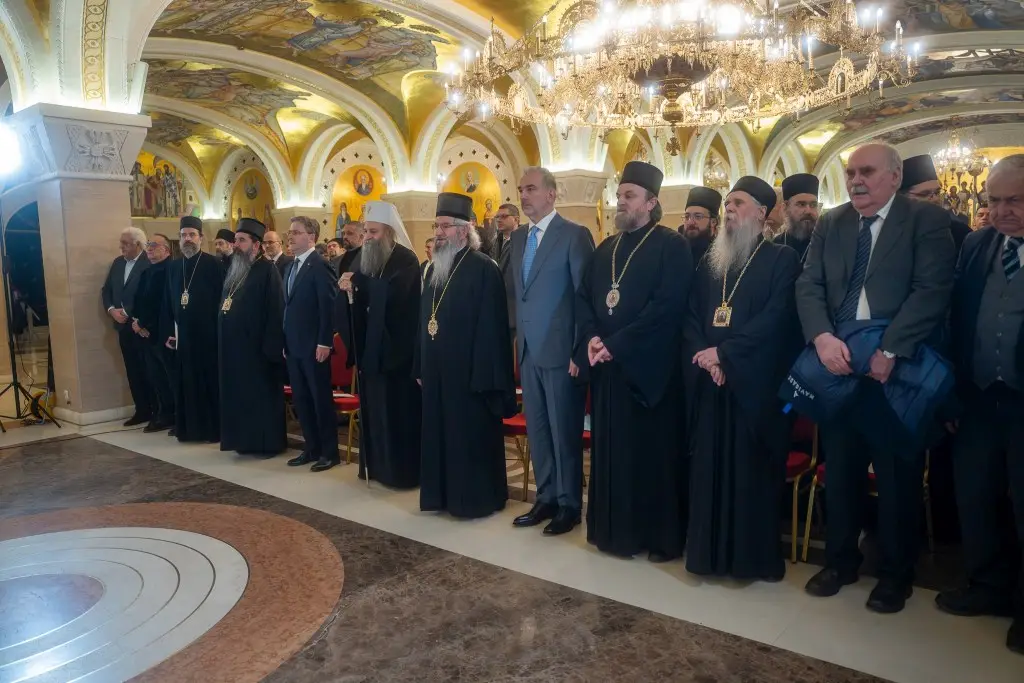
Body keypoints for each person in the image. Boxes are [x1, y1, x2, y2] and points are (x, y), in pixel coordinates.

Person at [797, 142, 955, 613]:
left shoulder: (924, 220)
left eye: (866, 171)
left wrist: (891, 349)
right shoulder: (833, 222)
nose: (856, 181)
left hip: (895, 371)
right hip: (839, 366)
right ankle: (840, 562)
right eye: (850, 173)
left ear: (895, 176)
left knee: (896, 477)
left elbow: (932, 290)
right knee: (842, 471)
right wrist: (822, 338)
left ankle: (895, 575)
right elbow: (809, 284)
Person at [684, 176, 803, 581]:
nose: (729, 209)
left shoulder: (782, 260)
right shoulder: (711, 261)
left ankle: (749, 562)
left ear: (762, 212)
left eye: (738, 203)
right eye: (727, 204)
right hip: (712, 385)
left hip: (755, 389)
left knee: (750, 476)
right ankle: (707, 558)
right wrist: (707, 357)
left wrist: (725, 354)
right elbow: (691, 314)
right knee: (708, 473)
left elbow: (777, 319)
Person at [575, 161, 693, 561]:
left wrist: (618, 344)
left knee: (650, 458)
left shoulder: (671, 246)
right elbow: (584, 299)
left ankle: (657, 538)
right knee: (611, 455)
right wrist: (592, 338)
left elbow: (666, 309)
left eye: (629, 195)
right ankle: (611, 532)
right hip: (608, 373)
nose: (620, 202)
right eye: (619, 195)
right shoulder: (605, 249)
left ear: (651, 202)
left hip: (649, 374)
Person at [937, 154, 1024, 654]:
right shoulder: (976, 244)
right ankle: (987, 585)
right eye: (995, 200)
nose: (1002, 211)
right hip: (977, 398)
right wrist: (952, 395)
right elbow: (956, 319)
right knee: (976, 497)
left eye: (1015, 201)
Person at [415, 192, 516, 518]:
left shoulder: (484, 268)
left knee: (467, 437)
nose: (438, 233)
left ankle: (474, 500)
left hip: (470, 375)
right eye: (436, 226)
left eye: (445, 226)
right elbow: (424, 321)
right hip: (436, 372)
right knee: (439, 435)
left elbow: (493, 330)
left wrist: (483, 376)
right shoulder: (433, 270)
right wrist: (420, 364)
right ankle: (441, 496)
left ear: (464, 230)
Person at [510, 167, 594, 534]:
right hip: (529, 350)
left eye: (531, 189)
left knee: (563, 432)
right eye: (520, 189)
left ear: (551, 194)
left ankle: (569, 504)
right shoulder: (518, 238)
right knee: (539, 429)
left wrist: (579, 350)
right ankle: (545, 496)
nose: (523, 196)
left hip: (561, 352)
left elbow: (583, 296)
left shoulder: (573, 235)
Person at [337, 201, 421, 488]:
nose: (368, 237)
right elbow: (359, 298)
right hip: (371, 352)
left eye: (373, 231)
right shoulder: (365, 257)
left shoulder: (406, 260)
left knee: (397, 416)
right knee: (374, 413)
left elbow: (398, 300)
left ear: (389, 231)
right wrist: (348, 288)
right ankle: (375, 468)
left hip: (397, 354)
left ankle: (400, 473)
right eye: (366, 231)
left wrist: (360, 285)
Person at [218, 218, 286, 456]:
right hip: (234, 349)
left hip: (258, 351)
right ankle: (243, 442)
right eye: (235, 240)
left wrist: (270, 349)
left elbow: (276, 311)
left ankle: (266, 444)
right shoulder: (235, 269)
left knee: (260, 398)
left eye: (241, 240)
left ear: (256, 245)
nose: (236, 245)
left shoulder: (267, 270)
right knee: (240, 396)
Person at [283, 216, 340, 472]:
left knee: (320, 400)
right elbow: (288, 307)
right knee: (302, 400)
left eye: (296, 232)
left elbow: (327, 307)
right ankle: (311, 448)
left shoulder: (320, 265)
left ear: (311, 237)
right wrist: (285, 339)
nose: (290, 236)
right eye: (290, 232)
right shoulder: (290, 267)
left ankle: (329, 453)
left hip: (315, 346)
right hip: (293, 345)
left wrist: (325, 342)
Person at [166, 216, 224, 442]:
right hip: (183, 336)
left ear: (201, 238)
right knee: (186, 383)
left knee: (208, 383)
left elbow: (221, 301)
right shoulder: (174, 267)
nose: (187, 239)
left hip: (208, 336)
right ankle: (188, 429)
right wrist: (169, 331)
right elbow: (167, 301)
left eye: (192, 235)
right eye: (183, 235)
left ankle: (212, 430)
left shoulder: (214, 264)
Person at [101, 227, 152, 426]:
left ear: (138, 244)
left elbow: (149, 294)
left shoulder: (148, 262)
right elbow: (107, 290)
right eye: (121, 243)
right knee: (133, 370)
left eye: (125, 243)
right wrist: (112, 310)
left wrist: (129, 312)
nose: (121, 247)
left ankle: (159, 410)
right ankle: (142, 410)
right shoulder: (118, 263)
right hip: (123, 328)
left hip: (143, 326)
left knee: (149, 370)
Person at [132, 234, 175, 433]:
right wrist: (136, 322)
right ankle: (161, 413)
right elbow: (139, 300)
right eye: (148, 244)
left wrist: (143, 323)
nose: (149, 248)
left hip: (163, 332)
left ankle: (173, 415)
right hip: (145, 333)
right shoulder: (147, 271)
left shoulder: (171, 270)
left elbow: (161, 302)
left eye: (154, 245)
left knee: (168, 377)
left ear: (166, 249)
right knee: (155, 377)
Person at [901, 154, 971, 251]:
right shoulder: (889, 232)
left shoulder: (959, 232)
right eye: (924, 194)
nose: (935, 199)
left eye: (937, 192)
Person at [773, 173, 820, 261]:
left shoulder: (826, 244)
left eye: (813, 205)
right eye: (801, 204)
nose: (808, 211)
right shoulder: (776, 245)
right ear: (785, 208)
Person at [493, 203, 521, 338]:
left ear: (516, 219)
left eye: (504, 216)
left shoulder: (524, 241)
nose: (499, 220)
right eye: (497, 217)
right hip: (499, 308)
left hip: (515, 310)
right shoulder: (496, 241)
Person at [679, 186, 721, 267]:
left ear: (713, 222)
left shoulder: (720, 254)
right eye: (687, 217)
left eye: (698, 217)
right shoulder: (675, 248)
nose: (690, 222)